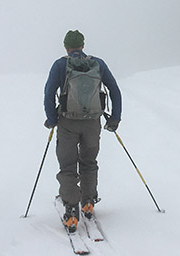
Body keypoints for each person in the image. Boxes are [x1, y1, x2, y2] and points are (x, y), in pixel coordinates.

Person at [43, 30, 122, 233]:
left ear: (66, 46)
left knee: (68, 165)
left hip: (68, 123)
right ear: (83, 45)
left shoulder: (60, 65)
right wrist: (114, 118)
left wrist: (52, 119)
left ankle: (71, 210)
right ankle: (88, 202)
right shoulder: (97, 64)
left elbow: (49, 92)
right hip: (92, 122)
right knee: (89, 161)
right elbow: (114, 90)